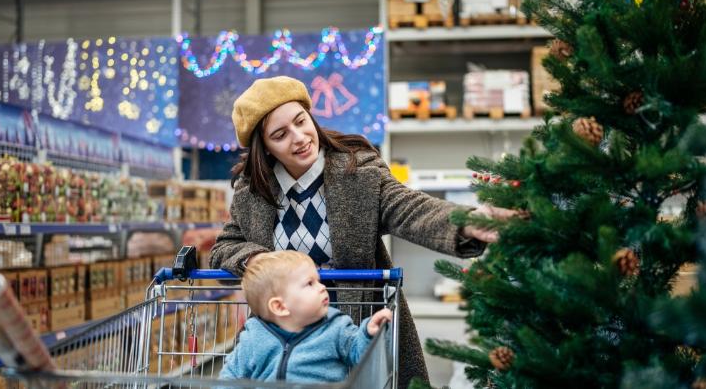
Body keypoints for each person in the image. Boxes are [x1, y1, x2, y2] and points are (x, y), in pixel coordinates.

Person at [210, 75, 519, 388]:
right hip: (282, 335)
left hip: (353, 329)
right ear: (267, 149)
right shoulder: (253, 193)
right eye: (280, 134)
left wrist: (468, 220)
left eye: (301, 121)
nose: (299, 137)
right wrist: (262, 263)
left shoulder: (358, 172)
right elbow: (224, 248)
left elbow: (410, 208)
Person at [219, 250, 392, 383]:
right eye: (310, 283)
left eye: (318, 280)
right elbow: (231, 376)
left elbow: (357, 352)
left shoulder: (336, 327)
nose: (322, 287)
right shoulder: (254, 338)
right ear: (279, 306)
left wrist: (368, 333)